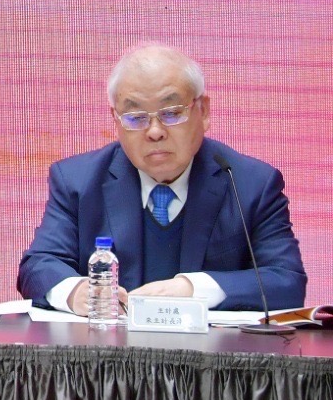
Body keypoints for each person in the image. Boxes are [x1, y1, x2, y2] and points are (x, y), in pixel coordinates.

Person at [18, 42, 304, 314]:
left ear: (203, 111)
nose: (155, 132)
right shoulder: (78, 182)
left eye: (171, 113)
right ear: (116, 121)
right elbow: (39, 265)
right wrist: (76, 292)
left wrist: (194, 289)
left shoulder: (252, 184)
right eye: (136, 117)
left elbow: (286, 280)